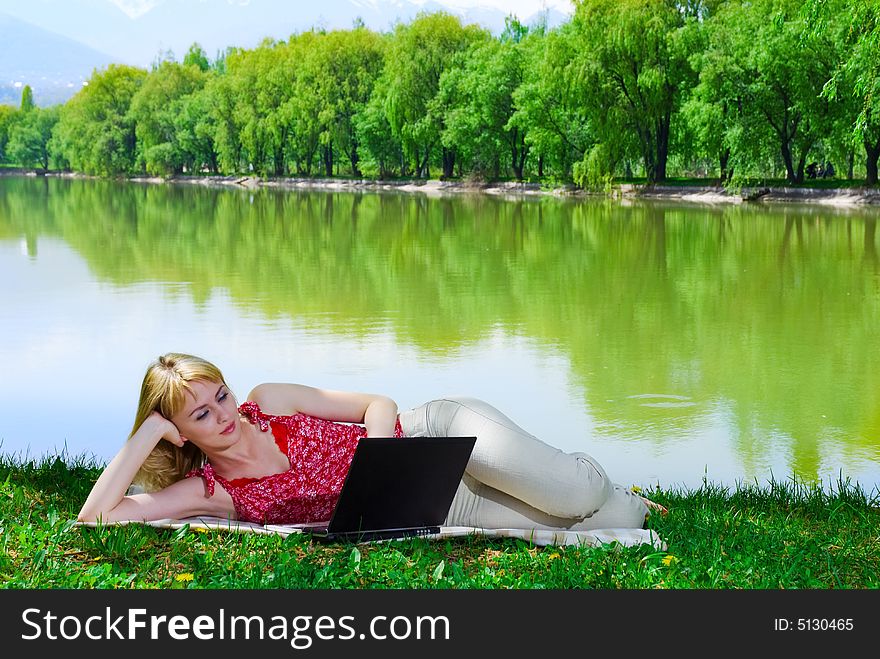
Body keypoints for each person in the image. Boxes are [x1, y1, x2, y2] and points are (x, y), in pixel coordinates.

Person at [78, 353, 665, 532]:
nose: (224, 416)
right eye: (200, 415)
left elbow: (374, 404)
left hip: (436, 429)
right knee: (587, 525)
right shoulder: (211, 493)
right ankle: (633, 499)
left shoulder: (272, 398)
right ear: (183, 433)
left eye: (221, 396)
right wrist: (150, 431)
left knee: (571, 493)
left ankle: (586, 470)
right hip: (435, 504)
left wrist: (384, 456)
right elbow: (97, 518)